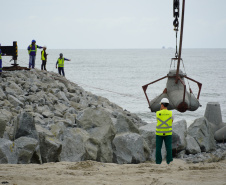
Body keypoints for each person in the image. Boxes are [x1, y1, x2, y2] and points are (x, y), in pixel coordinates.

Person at [155, 98, 173, 165]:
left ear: (162, 105)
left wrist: (161, 111)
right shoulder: (171, 113)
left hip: (159, 133)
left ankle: (158, 162)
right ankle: (169, 161)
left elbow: (158, 121)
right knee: (168, 147)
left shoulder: (157, 113)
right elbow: (171, 122)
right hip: (168, 133)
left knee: (158, 148)